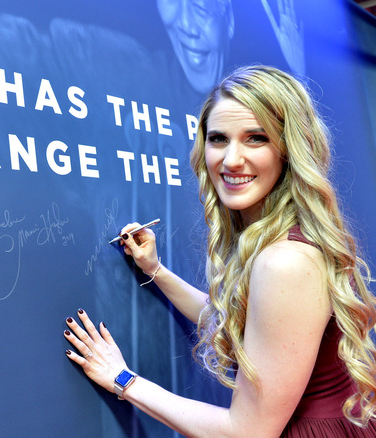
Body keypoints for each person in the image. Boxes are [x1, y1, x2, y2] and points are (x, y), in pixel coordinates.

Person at [64, 65, 376, 437]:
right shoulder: (276, 239)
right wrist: (156, 270)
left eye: (256, 138)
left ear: (289, 149)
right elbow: (240, 322)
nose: (231, 160)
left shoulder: (285, 262)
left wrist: (122, 378)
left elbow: (247, 432)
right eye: (218, 139)